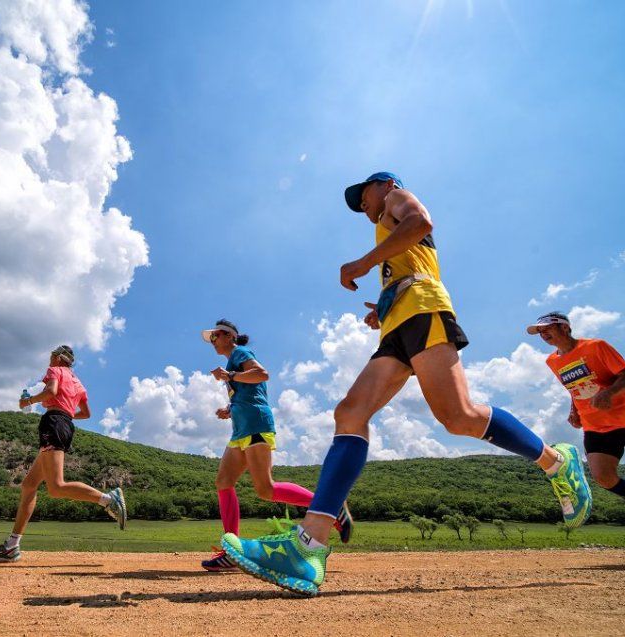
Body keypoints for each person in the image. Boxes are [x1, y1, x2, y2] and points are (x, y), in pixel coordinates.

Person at [221, 172, 592, 596]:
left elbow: (421, 223)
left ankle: (555, 462)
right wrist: (382, 307)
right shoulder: (388, 234)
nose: (362, 205)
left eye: (363, 195)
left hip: (423, 311)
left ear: (383, 185)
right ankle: (308, 546)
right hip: (398, 324)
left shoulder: (397, 196)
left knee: (459, 416)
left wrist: (361, 264)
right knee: (350, 412)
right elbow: (408, 262)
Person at [200, 320, 353, 571]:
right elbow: (252, 391)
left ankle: (330, 506)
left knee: (266, 489)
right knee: (223, 483)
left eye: (214, 336)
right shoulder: (232, 361)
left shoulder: (240, 353)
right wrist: (229, 409)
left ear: (228, 336)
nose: (212, 341)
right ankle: (232, 551)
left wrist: (230, 376)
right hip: (241, 428)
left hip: (256, 425)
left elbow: (262, 374)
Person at [529, 311, 625, 551]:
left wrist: (608, 393)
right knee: (604, 478)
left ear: (565, 328)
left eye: (547, 328)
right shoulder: (552, 361)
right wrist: (574, 409)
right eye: (539, 332)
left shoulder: (596, 347)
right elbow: (576, 387)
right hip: (595, 426)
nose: (543, 334)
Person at [0, 345, 127, 562]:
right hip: (65, 424)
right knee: (29, 485)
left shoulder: (55, 371)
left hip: (53, 423)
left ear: (58, 357)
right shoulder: (78, 383)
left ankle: (108, 500)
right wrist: (66, 415)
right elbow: (86, 413)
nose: (49, 360)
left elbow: (51, 392)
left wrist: (28, 402)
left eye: (51, 356)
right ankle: (12, 546)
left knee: (56, 487)